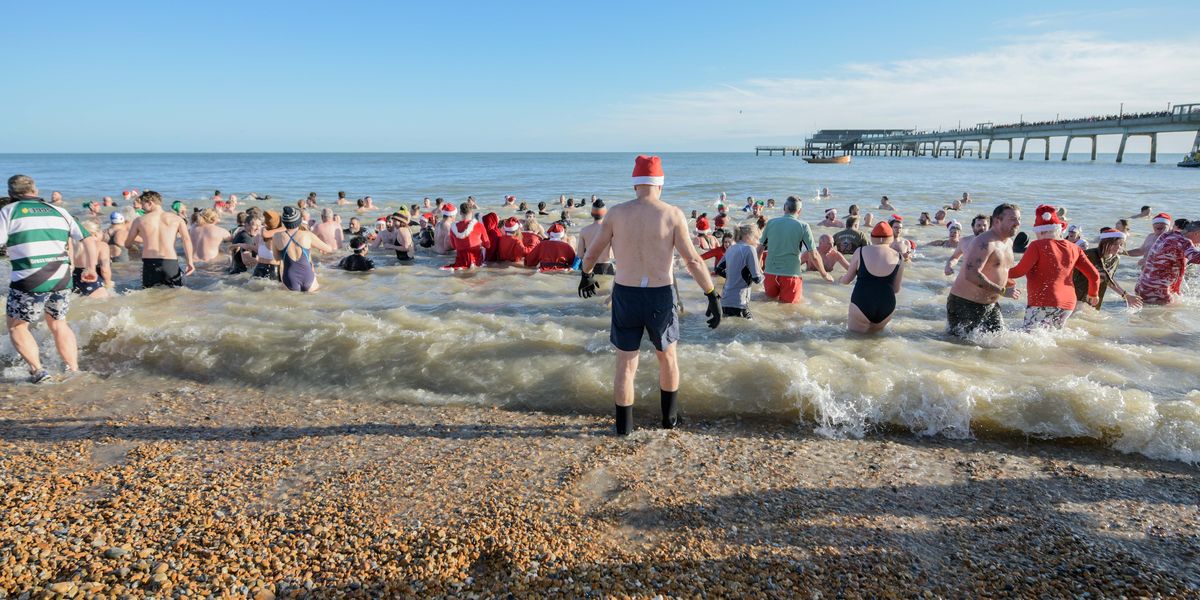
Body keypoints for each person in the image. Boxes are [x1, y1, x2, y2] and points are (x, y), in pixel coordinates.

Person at [578, 155, 720, 436]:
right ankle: (669, 422)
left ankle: (624, 430)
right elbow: (692, 261)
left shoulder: (616, 213)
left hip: (626, 295)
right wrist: (711, 294)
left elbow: (592, 253)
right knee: (667, 359)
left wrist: (586, 274)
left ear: (635, 185)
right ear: (660, 185)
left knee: (625, 365)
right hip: (659, 295)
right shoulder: (672, 214)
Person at [1, 175, 96, 382]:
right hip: (62, 278)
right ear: (35, 191)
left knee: (17, 326)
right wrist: (90, 267)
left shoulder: (9, 211)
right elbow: (88, 239)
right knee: (59, 324)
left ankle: (38, 371)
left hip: (30, 279)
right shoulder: (59, 210)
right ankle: (73, 369)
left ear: (11, 194)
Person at [1007, 205, 1099, 330]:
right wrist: (1093, 294)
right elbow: (1094, 275)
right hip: (1068, 304)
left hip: (1043, 301)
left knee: (1031, 337)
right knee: (1052, 336)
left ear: (1041, 231)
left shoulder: (1037, 246)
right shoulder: (1074, 248)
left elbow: (1018, 272)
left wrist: (997, 272)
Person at [946, 203, 1022, 337]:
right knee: (959, 349)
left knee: (999, 344)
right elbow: (971, 274)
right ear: (997, 221)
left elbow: (999, 268)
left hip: (991, 304)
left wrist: (1006, 281)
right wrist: (1003, 290)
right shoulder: (984, 242)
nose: (1017, 223)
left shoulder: (1008, 242)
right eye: (1013, 219)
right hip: (966, 304)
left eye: (1019, 219)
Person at [759, 196, 830, 303]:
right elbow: (814, 255)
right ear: (799, 211)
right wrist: (824, 274)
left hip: (770, 274)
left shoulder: (770, 223)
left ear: (784, 208)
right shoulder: (803, 226)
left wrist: (758, 269)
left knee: (768, 304)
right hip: (791, 276)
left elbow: (759, 249)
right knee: (790, 311)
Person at [840, 221, 904, 333]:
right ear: (890, 238)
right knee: (874, 342)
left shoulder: (861, 251)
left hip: (862, 302)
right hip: (886, 305)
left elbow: (847, 280)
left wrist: (840, 279)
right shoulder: (899, 257)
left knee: (853, 340)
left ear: (872, 237)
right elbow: (896, 289)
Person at [125, 191, 195, 288]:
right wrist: (190, 262)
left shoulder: (139, 220)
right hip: (170, 262)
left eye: (143, 204)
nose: (142, 207)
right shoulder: (177, 219)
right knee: (175, 293)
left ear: (150, 203)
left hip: (149, 263)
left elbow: (127, 243)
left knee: (149, 295)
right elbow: (186, 240)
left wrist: (134, 247)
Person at [1072, 228, 1142, 310]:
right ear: (1104, 243)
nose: (1118, 247)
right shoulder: (1090, 254)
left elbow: (1108, 279)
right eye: (1115, 244)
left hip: (1094, 297)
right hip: (1074, 292)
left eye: (1121, 245)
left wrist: (1126, 295)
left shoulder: (1115, 259)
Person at [1134, 219, 1200, 305]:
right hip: (1157, 293)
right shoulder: (1184, 241)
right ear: (1197, 233)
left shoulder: (1167, 235)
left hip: (1142, 287)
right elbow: (1196, 258)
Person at [272, 206, 330, 292]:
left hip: (289, 278)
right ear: (299, 221)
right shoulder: (307, 235)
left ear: (284, 222)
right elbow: (329, 249)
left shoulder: (276, 236)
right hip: (308, 276)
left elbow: (277, 258)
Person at [717, 224, 762, 319]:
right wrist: (764, 275)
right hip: (739, 302)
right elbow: (757, 279)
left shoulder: (730, 248)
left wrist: (734, 277)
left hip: (725, 301)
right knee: (750, 331)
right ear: (748, 236)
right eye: (756, 238)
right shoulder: (750, 249)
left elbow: (718, 269)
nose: (757, 242)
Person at [71, 220, 112, 298]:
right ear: (95, 234)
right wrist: (108, 285)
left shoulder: (73, 246)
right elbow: (105, 269)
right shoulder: (102, 245)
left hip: (73, 281)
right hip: (91, 280)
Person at [443, 203, 489, 270]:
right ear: (472, 212)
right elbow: (487, 245)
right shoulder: (479, 225)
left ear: (460, 212)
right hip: (476, 260)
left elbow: (454, 246)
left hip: (461, 259)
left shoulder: (453, 227)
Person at [575, 200, 613, 274]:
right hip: (606, 267)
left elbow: (580, 255)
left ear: (592, 214)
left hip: (589, 267)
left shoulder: (584, 231)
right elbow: (614, 254)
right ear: (605, 213)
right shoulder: (611, 230)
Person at [252, 210, 285, 281]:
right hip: (273, 269)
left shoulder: (260, 232)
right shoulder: (279, 236)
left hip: (258, 268)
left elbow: (256, 248)